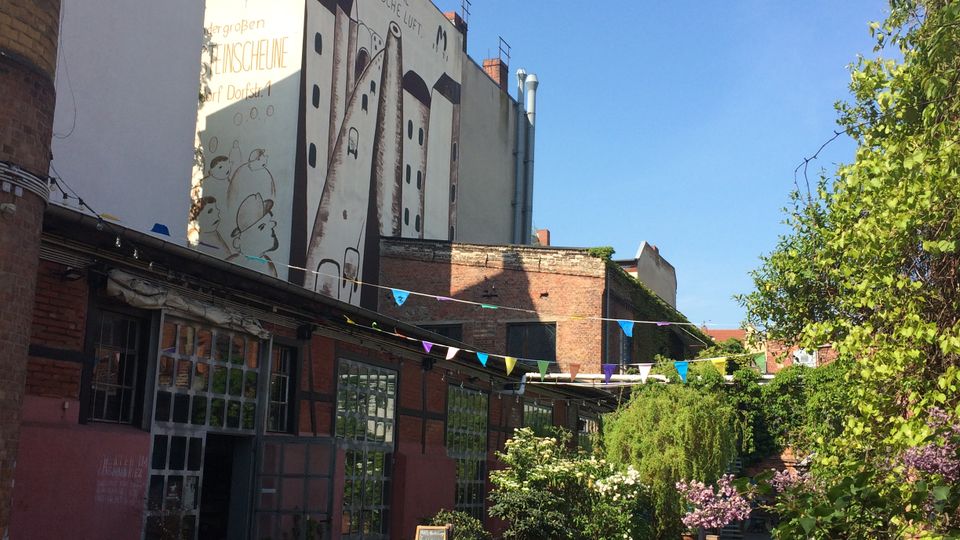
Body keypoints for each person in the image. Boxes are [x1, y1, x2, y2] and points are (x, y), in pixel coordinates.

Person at [226, 193, 279, 277]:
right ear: (238, 242)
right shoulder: (233, 264)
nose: (273, 224)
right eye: (262, 227)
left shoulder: (268, 265)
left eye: (270, 221)